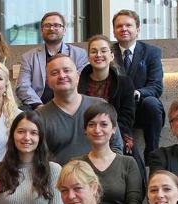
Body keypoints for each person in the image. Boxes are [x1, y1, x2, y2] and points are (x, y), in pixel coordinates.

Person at [36, 54, 122, 165]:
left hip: (101, 178)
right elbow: (39, 159)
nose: (62, 76)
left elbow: (116, 145)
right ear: (48, 82)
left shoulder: (99, 105)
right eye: (55, 73)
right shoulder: (40, 117)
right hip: (61, 180)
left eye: (67, 70)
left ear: (78, 76)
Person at [0, 111, 64, 204]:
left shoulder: (53, 170)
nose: (27, 137)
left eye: (33, 133)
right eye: (21, 131)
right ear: (12, 135)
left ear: (40, 137)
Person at [78, 102, 143, 204]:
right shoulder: (77, 164)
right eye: (91, 124)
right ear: (85, 130)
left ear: (113, 129)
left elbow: (134, 202)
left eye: (104, 124)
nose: (97, 129)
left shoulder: (128, 163)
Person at [112, 9, 164, 160]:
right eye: (119, 26)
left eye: (128, 25)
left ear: (138, 30)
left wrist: (137, 93)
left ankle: (153, 153)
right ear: (114, 32)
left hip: (141, 107)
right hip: (118, 108)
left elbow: (156, 87)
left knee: (152, 103)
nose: (124, 29)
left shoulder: (152, 52)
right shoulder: (107, 52)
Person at [15, 11, 88, 109]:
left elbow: (81, 83)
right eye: (47, 25)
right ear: (41, 30)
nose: (52, 28)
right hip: (38, 107)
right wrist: (39, 106)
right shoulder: (28, 57)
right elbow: (23, 87)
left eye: (57, 25)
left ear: (64, 30)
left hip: (70, 105)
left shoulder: (79, 54)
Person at [78, 35, 136, 154]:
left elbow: (126, 118)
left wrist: (107, 133)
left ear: (112, 56)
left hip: (115, 135)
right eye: (94, 51)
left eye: (103, 51)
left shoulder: (125, 83)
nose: (98, 55)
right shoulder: (77, 84)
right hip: (84, 136)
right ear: (88, 57)